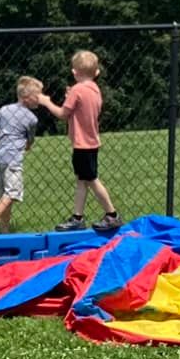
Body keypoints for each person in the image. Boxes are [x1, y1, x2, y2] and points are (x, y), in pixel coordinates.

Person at [37, 51, 122, 232]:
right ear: (96, 72)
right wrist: (72, 96)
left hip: (82, 144)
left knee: (91, 180)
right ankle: (77, 217)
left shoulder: (77, 90)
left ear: (74, 72)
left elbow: (62, 114)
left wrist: (46, 102)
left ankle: (112, 215)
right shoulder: (94, 89)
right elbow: (82, 108)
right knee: (82, 180)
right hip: (91, 142)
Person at [0, 76, 42, 235]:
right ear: (26, 98)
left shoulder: (4, 109)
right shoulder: (31, 118)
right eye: (37, 95)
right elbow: (29, 141)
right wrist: (26, 146)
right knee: (12, 193)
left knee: (4, 196)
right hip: (13, 159)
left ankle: (5, 231)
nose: (40, 99)